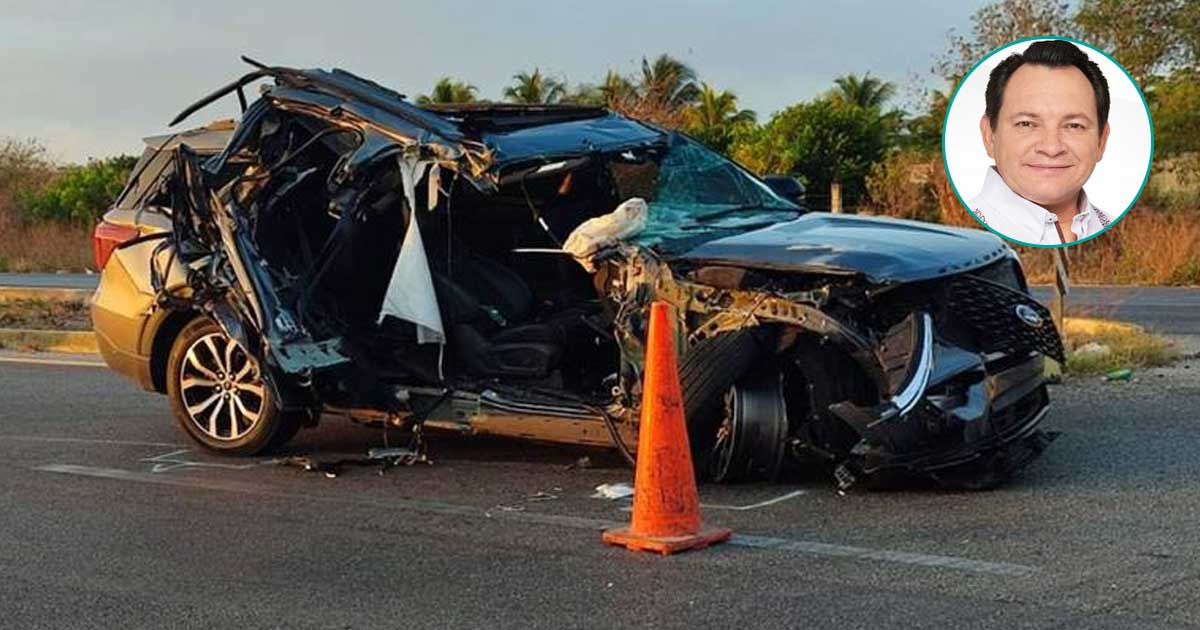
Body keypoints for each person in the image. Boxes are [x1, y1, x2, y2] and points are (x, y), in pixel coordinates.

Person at [968, 40, 1113, 245]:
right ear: (989, 135)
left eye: (1074, 126)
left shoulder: (1118, 230)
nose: (1051, 148)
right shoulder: (968, 233)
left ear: (1102, 140)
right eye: (1026, 124)